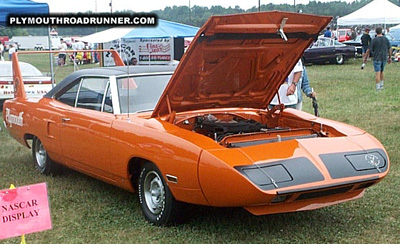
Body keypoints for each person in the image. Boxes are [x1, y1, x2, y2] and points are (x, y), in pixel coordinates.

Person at [364, 26, 392, 91]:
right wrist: (390, 57)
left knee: (377, 73)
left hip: (376, 58)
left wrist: (365, 58)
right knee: (382, 71)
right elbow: (390, 48)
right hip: (384, 57)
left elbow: (368, 50)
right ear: (381, 31)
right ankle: (382, 85)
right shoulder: (386, 39)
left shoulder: (374, 40)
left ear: (376, 32)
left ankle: (378, 88)